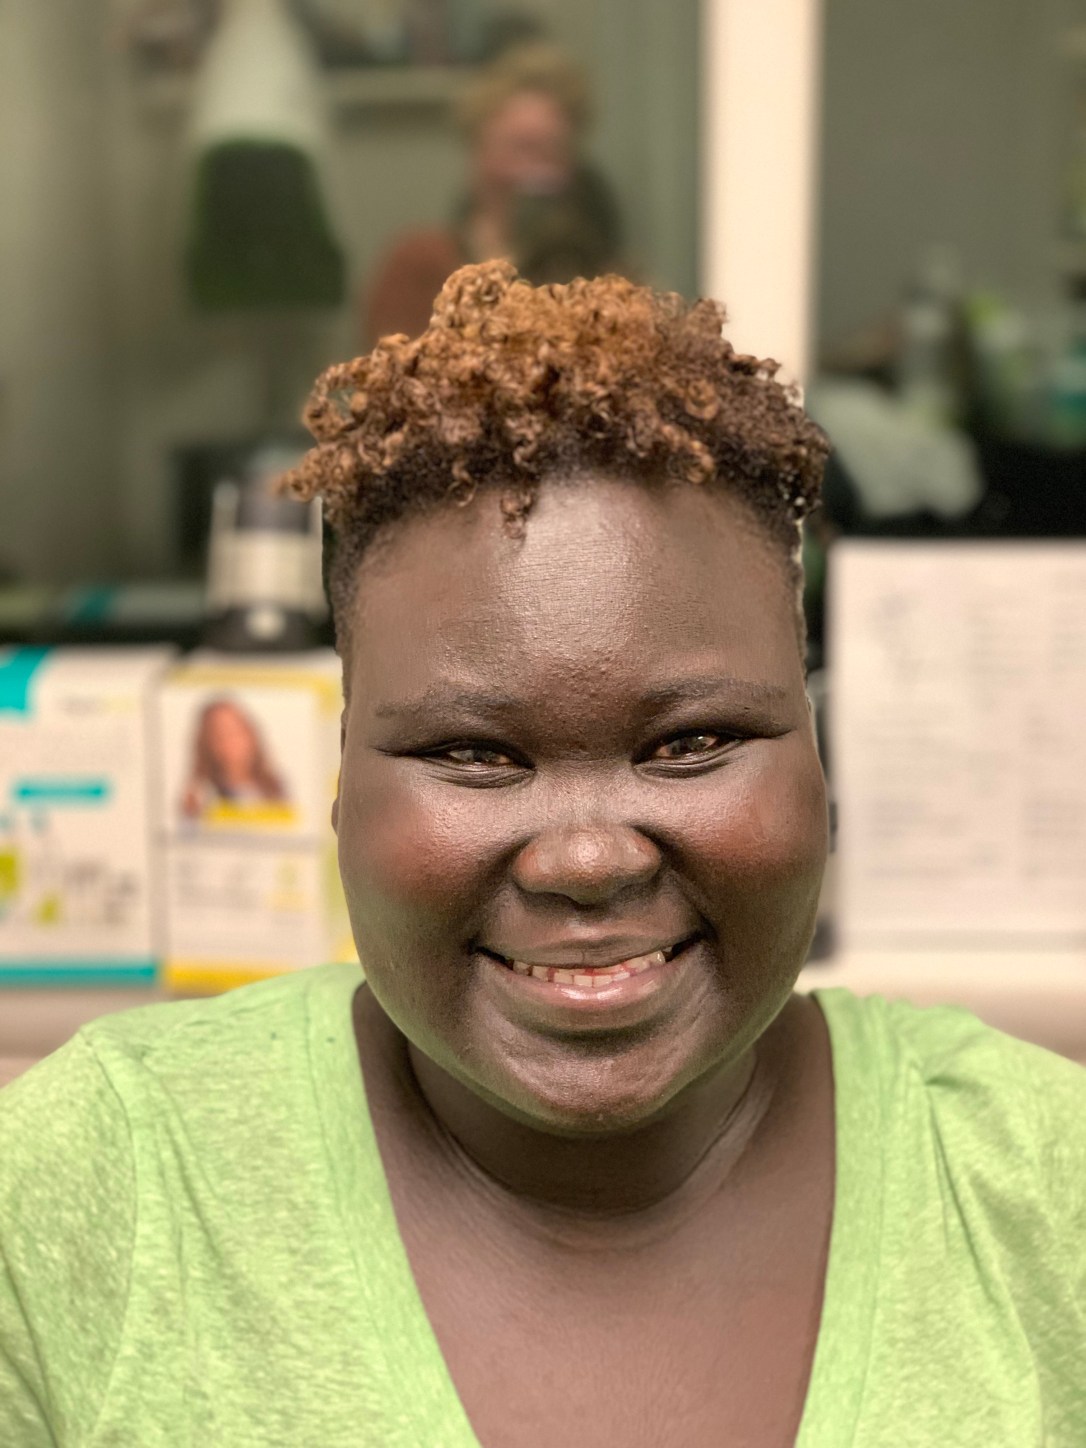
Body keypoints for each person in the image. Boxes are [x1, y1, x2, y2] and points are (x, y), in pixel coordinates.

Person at [1, 262, 1084, 1446]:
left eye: (692, 742)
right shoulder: (92, 1189)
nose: (586, 856)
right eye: (472, 752)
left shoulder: (1047, 1188)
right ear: (341, 781)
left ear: (818, 759)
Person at [363, 43, 622, 342]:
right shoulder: (420, 266)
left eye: (551, 152)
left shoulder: (601, 278)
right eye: (518, 148)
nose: (531, 173)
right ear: (477, 152)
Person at [179, 696, 288, 818]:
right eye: (220, 734)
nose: (230, 740)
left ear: (250, 733)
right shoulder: (201, 794)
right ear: (206, 742)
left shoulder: (274, 786)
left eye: (235, 730)